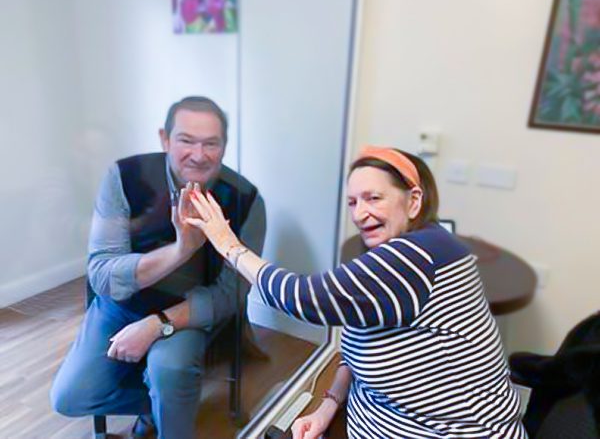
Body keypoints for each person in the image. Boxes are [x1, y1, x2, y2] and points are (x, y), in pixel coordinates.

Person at [184, 145, 526, 438]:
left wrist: (227, 244)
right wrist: (327, 405)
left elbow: (302, 297)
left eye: (374, 198)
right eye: (352, 202)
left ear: (413, 201)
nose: (360, 214)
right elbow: (359, 341)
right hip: (373, 419)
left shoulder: (417, 255)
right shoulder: (417, 247)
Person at [50, 96, 266, 439]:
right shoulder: (123, 176)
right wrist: (182, 250)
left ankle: (172, 404)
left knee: (171, 370)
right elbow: (103, 274)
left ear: (225, 146)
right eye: (186, 140)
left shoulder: (246, 199)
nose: (199, 154)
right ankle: (164, 404)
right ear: (165, 138)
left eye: (211, 143)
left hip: (185, 311)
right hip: (121, 304)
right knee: (69, 396)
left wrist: (157, 324)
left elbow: (232, 294)